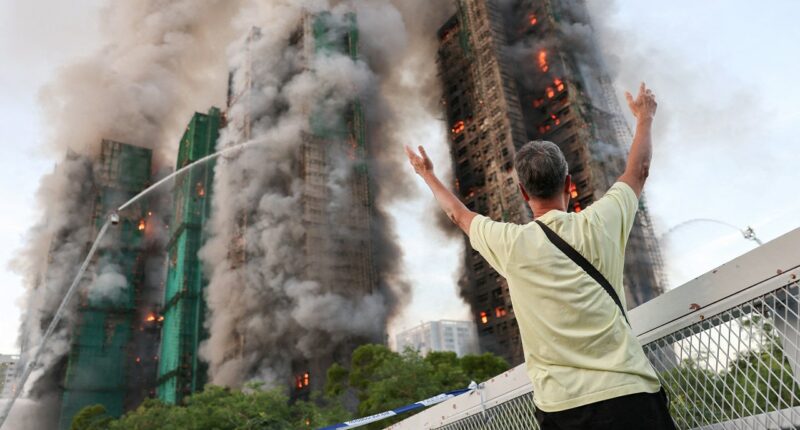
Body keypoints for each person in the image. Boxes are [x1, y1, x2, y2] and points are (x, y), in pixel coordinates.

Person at [405, 83, 676, 429]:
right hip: (630, 397)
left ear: (522, 192)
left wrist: (426, 173)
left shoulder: (510, 243)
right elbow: (637, 171)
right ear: (569, 184)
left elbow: (458, 214)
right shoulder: (602, 221)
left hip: (562, 411)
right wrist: (645, 118)